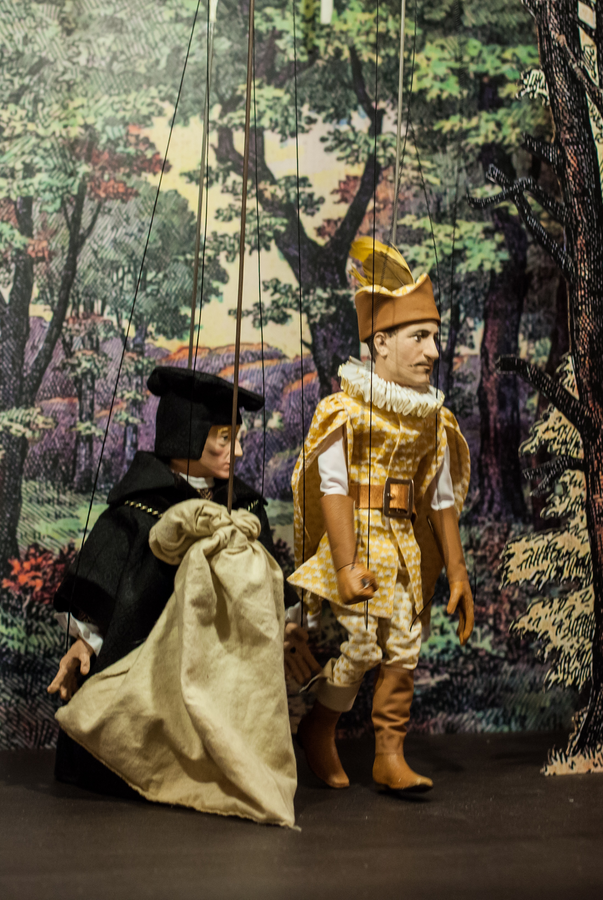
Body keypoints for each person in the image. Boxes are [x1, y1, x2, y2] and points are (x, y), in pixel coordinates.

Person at [287, 237, 473, 793]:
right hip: (359, 540)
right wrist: (345, 565)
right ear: (381, 342)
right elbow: (333, 488)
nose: (433, 351)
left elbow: (440, 498)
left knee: (404, 647)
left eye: (435, 337)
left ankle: (389, 754)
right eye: (419, 337)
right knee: (364, 645)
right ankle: (320, 728)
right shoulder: (343, 411)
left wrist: (458, 573)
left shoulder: (432, 419)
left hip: (402, 546)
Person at [45, 366, 287, 795]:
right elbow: (106, 582)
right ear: (186, 435)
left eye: (238, 438)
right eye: (224, 438)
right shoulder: (139, 509)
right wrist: (86, 641)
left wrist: (290, 628)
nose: (236, 451)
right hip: (153, 661)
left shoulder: (244, 508)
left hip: (222, 659)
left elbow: (269, 579)